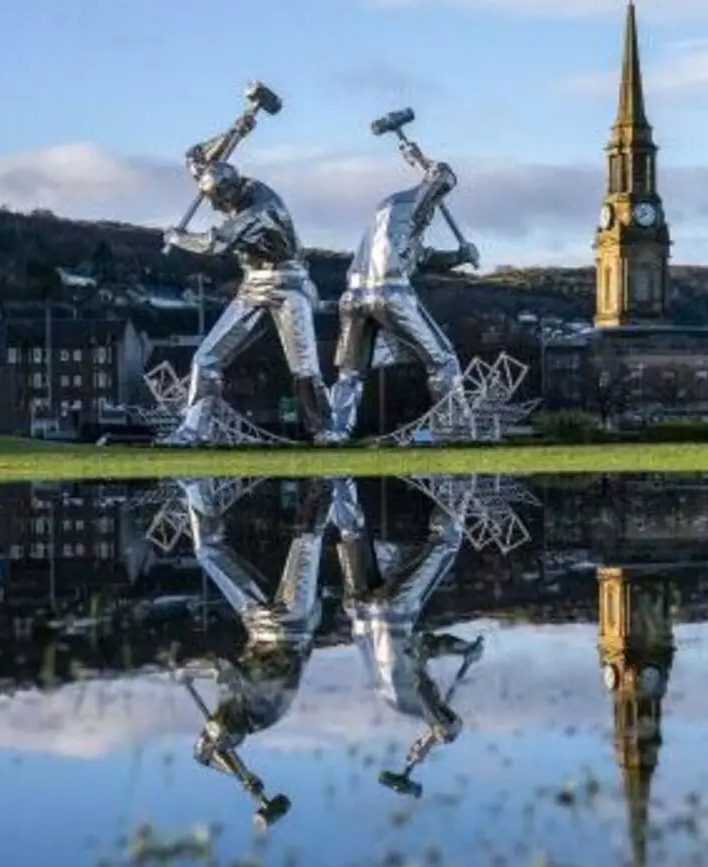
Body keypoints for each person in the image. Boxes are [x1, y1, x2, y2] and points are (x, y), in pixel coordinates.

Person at [177, 477, 331, 827]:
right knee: (306, 538)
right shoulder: (261, 709)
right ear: (234, 729)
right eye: (220, 721)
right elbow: (222, 666)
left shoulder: (231, 716)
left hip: (256, 619)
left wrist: (229, 766)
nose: (218, 713)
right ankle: (333, 473)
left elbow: (201, 757)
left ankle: (194, 484)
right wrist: (189, 672)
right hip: (293, 624)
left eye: (212, 721)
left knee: (208, 552)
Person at [161, 148, 331, 445]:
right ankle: (193, 431)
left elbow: (217, 243)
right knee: (206, 359)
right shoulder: (230, 187)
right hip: (252, 285)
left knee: (304, 367)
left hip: (287, 284)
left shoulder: (260, 211)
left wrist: (179, 238)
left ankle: (325, 430)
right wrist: (239, 125)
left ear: (229, 191)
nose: (214, 208)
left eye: (218, 201)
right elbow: (194, 158)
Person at [329, 478, 483, 796]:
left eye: (450, 714)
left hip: (393, 613)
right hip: (358, 612)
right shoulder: (394, 698)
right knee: (352, 533)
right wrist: (462, 648)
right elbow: (428, 646)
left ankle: (458, 476)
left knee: (447, 542)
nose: (450, 709)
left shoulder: (419, 698)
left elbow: (439, 721)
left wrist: (466, 650)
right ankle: (334, 466)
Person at [325, 147, 480, 442]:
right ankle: (456, 430)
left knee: (350, 370)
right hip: (391, 293)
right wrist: (428, 169)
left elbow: (418, 255)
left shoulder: (387, 214)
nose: (438, 203)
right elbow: (441, 178)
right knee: (443, 359)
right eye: (438, 196)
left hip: (353, 296)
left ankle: (336, 431)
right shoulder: (415, 203)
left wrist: (458, 256)